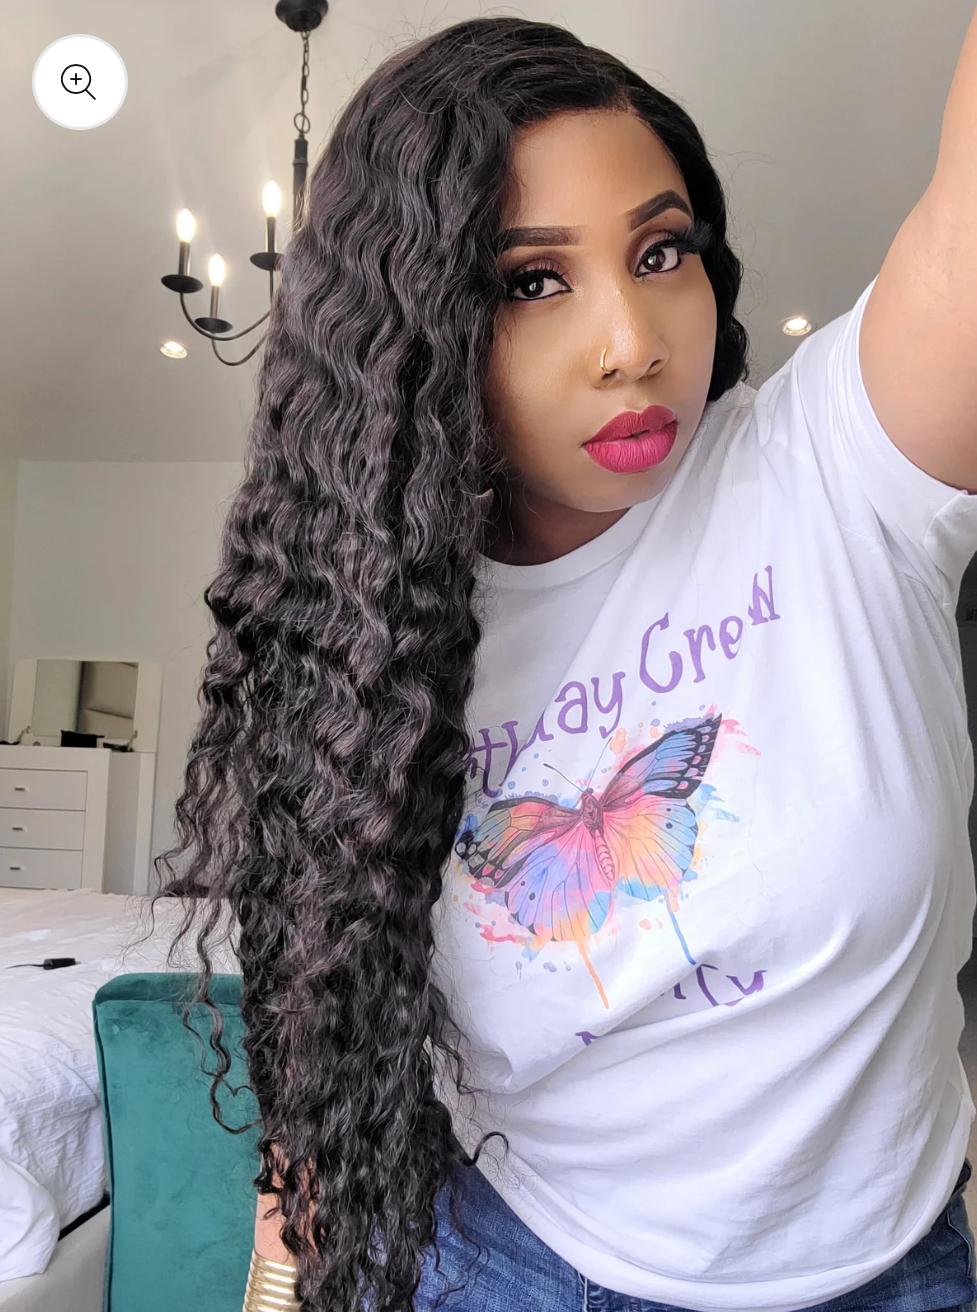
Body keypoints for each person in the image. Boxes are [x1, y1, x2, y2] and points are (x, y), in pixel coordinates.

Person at [146, 14, 977, 1312]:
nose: (631, 340)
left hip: (882, 1274)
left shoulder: (836, 469)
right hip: (510, 1265)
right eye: (531, 281)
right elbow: (328, 980)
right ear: (413, 331)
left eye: (661, 252)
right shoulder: (374, 627)